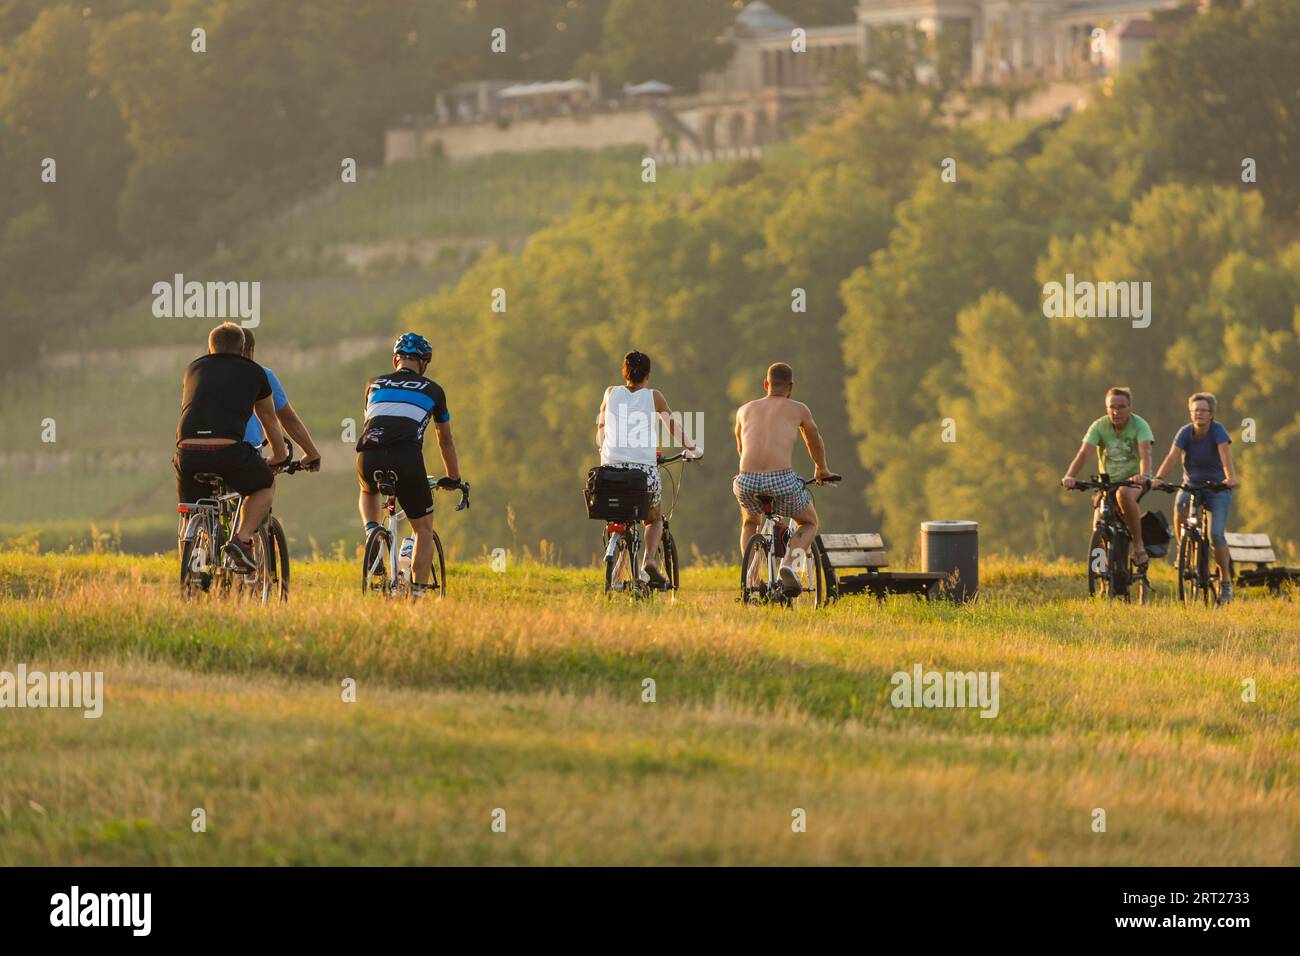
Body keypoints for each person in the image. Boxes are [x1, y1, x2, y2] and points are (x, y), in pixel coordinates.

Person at [175, 322, 289, 572]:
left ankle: (191, 557)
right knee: (264, 484)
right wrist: (279, 456)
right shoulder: (254, 372)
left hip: (187, 453)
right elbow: (269, 418)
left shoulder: (193, 369)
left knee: (192, 508)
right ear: (243, 350)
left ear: (210, 347)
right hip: (227, 451)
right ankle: (242, 539)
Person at [356, 333, 462, 596]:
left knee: (368, 489)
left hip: (368, 454)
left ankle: (372, 533)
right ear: (423, 363)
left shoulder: (373, 384)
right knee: (423, 529)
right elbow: (445, 440)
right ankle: (417, 594)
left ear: (396, 360)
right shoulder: (433, 390)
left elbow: (372, 421)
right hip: (406, 458)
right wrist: (453, 477)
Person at [595, 350, 700, 587]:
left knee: (619, 513)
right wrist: (693, 449)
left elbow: (601, 427)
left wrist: (604, 449)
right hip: (641, 473)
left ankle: (616, 571)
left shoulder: (610, 393)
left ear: (625, 372)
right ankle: (650, 560)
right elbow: (673, 427)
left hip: (610, 472)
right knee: (653, 519)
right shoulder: (654, 397)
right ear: (648, 375)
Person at [732, 362, 833, 597]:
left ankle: (753, 578)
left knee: (750, 522)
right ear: (791, 387)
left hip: (746, 480)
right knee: (808, 523)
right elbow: (813, 440)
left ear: (766, 384)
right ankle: (789, 565)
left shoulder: (744, 409)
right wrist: (821, 468)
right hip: (781, 480)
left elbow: (740, 446)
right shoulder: (798, 409)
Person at [1152, 391, 1239, 603]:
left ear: (1211, 414)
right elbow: (1172, 456)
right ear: (1191, 413)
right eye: (1195, 410)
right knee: (1180, 504)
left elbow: (1225, 456)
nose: (1199, 414)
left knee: (1216, 534)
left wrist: (1230, 478)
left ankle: (1226, 583)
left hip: (1217, 488)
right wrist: (1159, 478)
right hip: (1191, 485)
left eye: (1203, 410)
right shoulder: (1185, 432)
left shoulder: (1218, 431)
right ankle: (1184, 550)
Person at [1061, 386, 1155, 564]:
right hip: (1107, 482)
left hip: (1133, 481)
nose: (1116, 411)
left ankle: (1137, 544)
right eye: (1111, 407)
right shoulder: (1099, 426)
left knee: (1124, 494)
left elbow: (1145, 453)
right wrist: (1070, 476)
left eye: (1121, 407)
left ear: (1130, 407)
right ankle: (1100, 572)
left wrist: (1143, 475)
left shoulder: (1140, 425)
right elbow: (1084, 453)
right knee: (1098, 521)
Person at [239, 329, 322, 471]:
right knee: (264, 487)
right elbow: (287, 418)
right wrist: (311, 454)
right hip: (245, 453)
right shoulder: (262, 374)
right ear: (250, 351)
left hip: (196, 452)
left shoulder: (203, 376)